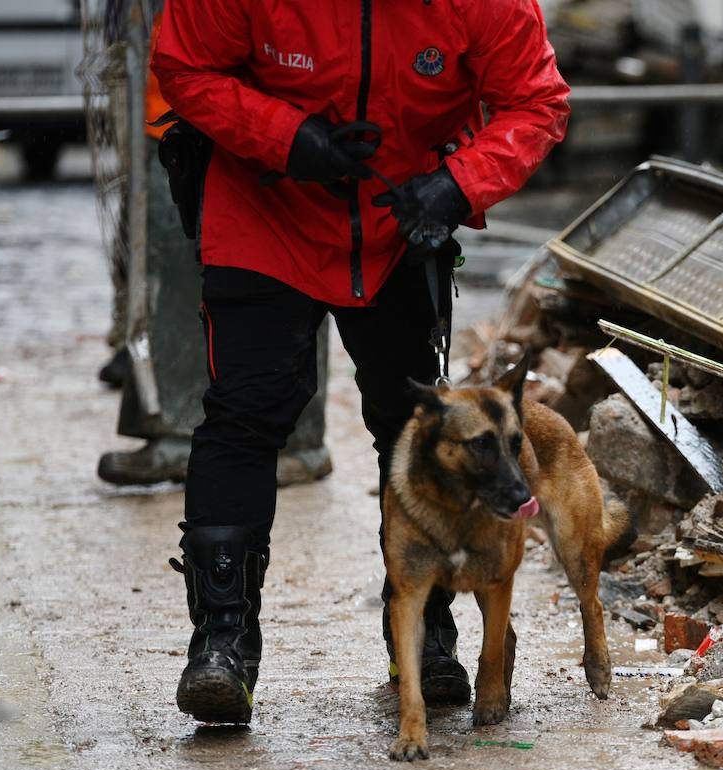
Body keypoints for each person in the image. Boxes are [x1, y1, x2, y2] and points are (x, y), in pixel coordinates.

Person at [152, 0, 570, 724]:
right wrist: (289, 137)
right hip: (264, 211)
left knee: (416, 430)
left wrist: (460, 184)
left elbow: (534, 101)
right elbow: (185, 68)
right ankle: (222, 646)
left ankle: (424, 631)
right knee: (245, 416)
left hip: (401, 217)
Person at [98, 15, 331, 489]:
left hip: (280, 101)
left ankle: (296, 438)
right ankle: (176, 429)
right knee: (175, 268)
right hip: (181, 101)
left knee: (286, 268)